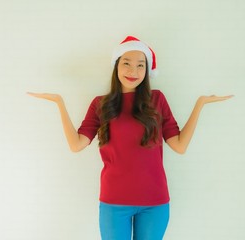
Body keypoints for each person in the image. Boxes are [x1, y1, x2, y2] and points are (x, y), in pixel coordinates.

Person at [27, 36, 233, 240]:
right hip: (113, 202)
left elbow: (179, 146)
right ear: (116, 66)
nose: (133, 71)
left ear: (147, 70)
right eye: (126, 63)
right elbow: (76, 144)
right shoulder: (101, 104)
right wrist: (59, 103)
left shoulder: (157, 99)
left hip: (155, 202)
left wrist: (200, 104)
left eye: (140, 65)